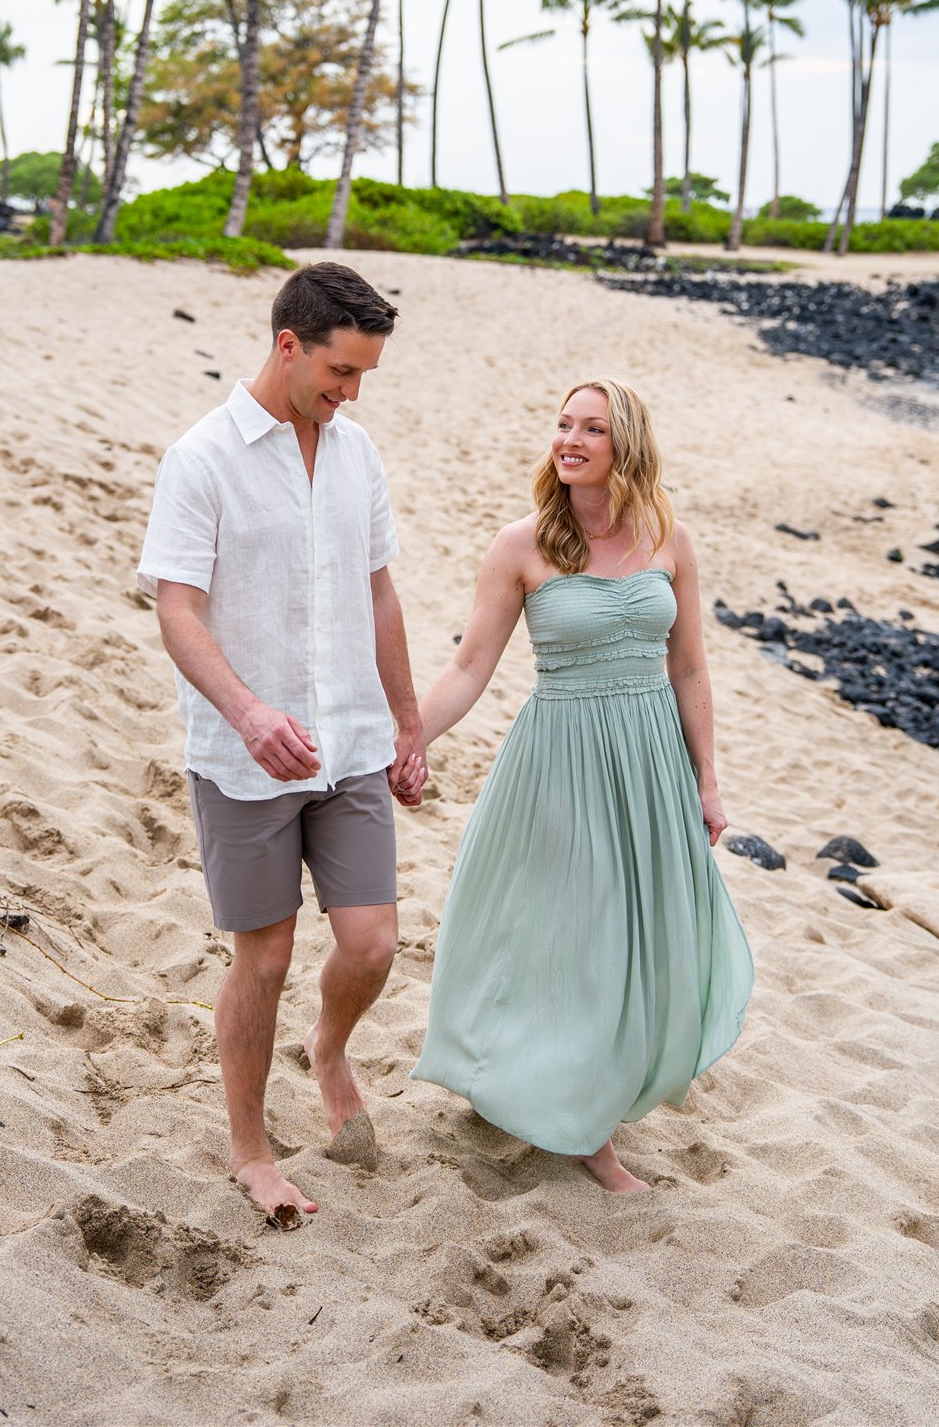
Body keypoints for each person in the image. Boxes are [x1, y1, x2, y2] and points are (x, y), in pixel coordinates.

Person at [410, 377, 753, 1192]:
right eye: (562, 424)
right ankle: (587, 1131)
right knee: (581, 936)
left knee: (639, 940)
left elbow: (690, 668)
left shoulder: (668, 537)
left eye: (589, 429)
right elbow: (468, 667)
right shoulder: (520, 545)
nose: (568, 439)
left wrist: (706, 779)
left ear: (623, 447)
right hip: (561, 761)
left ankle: (585, 1093)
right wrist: (405, 742)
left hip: (650, 765)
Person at [137, 262, 425, 1219]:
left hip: (348, 742)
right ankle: (250, 1147)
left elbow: (380, 593)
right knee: (261, 959)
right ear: (287, 344)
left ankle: (330, 1046)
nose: (350, 395)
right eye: (341, 373)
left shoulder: (357, 452)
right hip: (242, 756)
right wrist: (248, 713)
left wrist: (408, 720)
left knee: (373, 945)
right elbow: (177, 611)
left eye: (365, 378)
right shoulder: (203, 457)